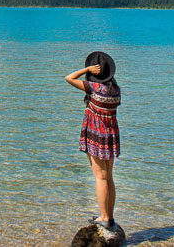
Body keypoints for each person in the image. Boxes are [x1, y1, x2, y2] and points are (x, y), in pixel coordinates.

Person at [64, 51, 121, 230]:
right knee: (109, 178)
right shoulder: (115, 90)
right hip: (111, 136)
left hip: (96, 134)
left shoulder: (94, 88)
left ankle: (103, 217)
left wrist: (87, 69)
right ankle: (109, 216)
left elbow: (69, 78)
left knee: (100, 177)